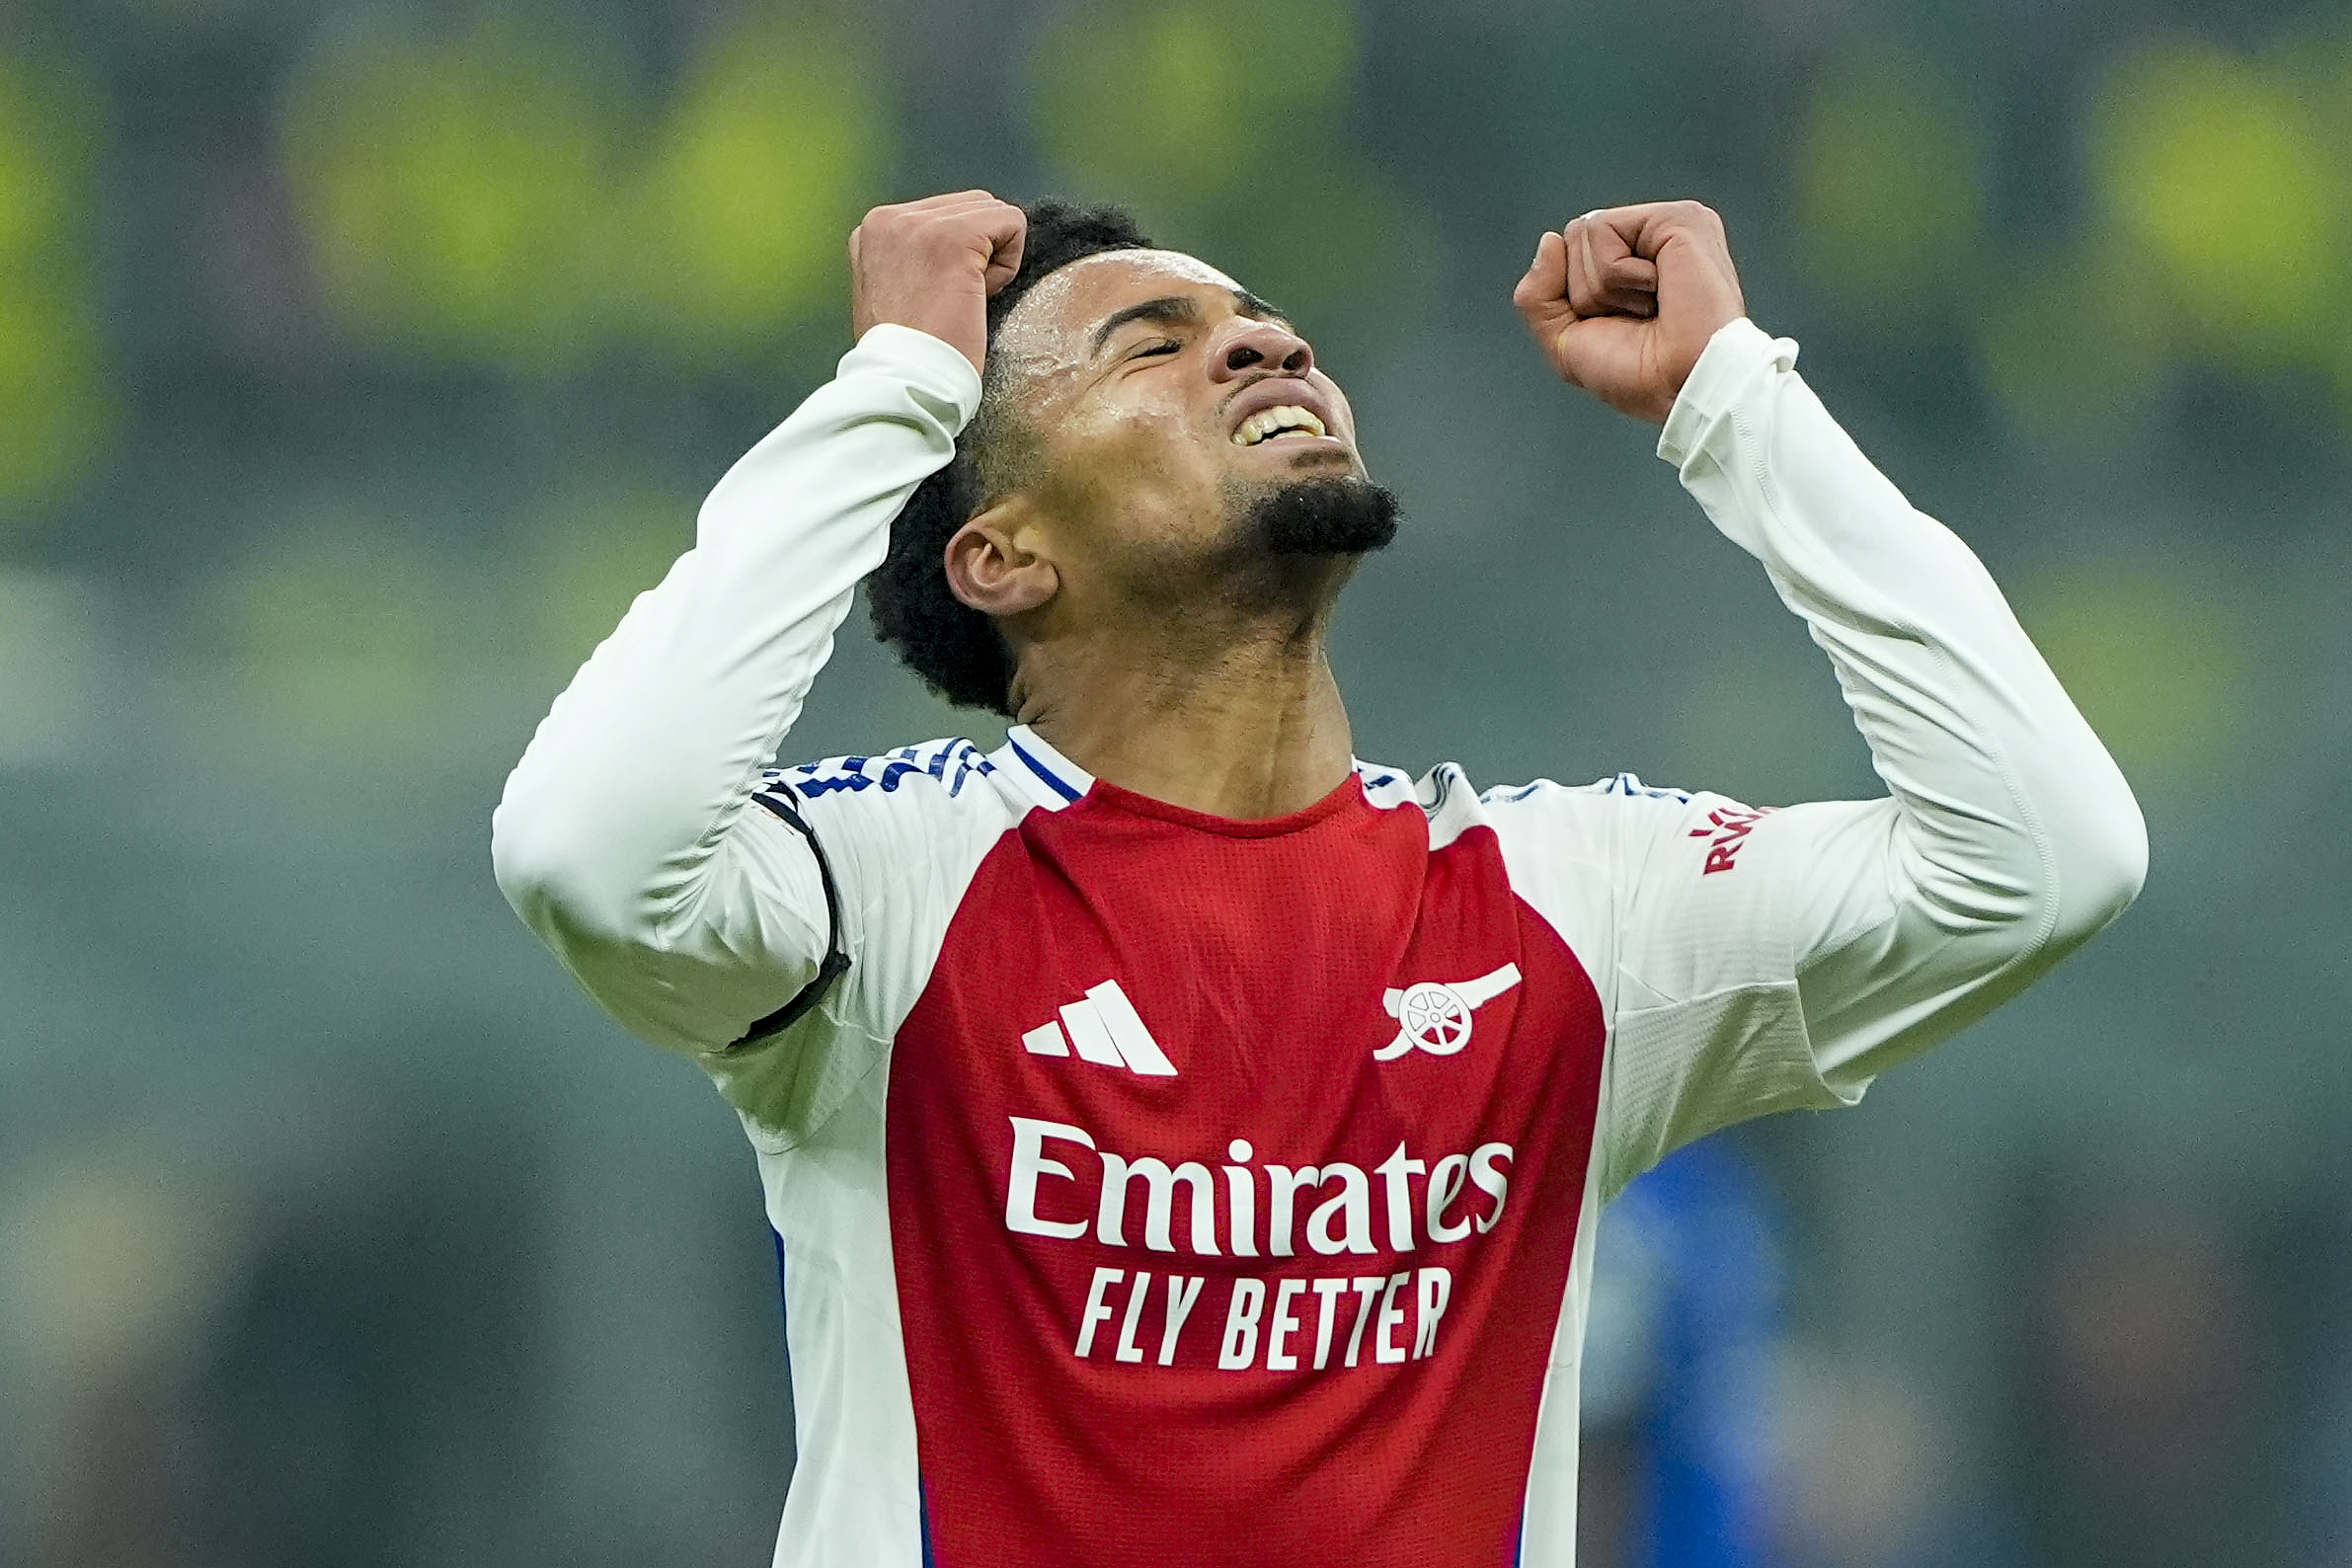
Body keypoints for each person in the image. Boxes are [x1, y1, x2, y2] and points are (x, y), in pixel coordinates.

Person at [492, 191, 2146, 1568]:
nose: (1265, 343)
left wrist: (1736, 406)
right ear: (1001, 554)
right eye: (1153, 345)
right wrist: (890, 393)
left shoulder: (1574, 908)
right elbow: (590, 854)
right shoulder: (887, 892)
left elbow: (2039, 858)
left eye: (1266, 324)